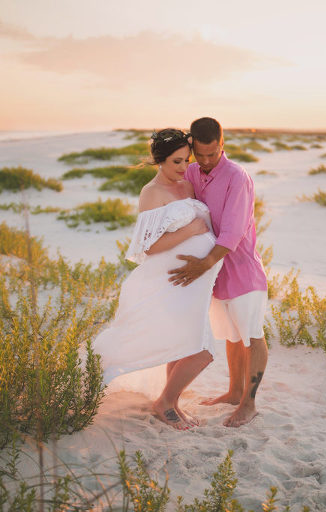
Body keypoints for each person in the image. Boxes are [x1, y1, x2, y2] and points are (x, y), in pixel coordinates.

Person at [90, 128, 224, 430]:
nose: (183, 167)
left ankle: (170, 400)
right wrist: (191, 232)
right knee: (201, 352)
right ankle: (165, 402)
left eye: (185, 160)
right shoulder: (151, 193)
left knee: (182, 342)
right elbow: (148, 247)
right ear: (159, 161)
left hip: (192, 283)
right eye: (176, 162)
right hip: (168, 282)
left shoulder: (187, 184)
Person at [168, 117, 269, 428]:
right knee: (231, 336)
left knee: (252, 336)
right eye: (201, 154)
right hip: (216, 274)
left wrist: (201, 265)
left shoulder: (238, 177)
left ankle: (248, 403)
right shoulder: (194, 171)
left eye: (213, 153)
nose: (207, 161)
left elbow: (233, 232)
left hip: (242, 271)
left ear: (222, 145)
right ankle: (233, 391)